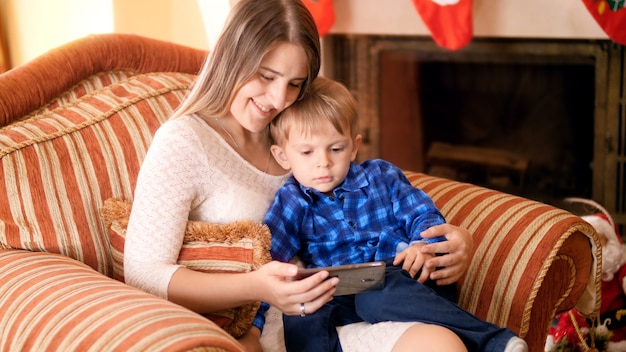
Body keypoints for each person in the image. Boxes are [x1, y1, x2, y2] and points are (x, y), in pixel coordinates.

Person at [123, 0, 474, 351]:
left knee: (442, 345)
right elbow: (143, 273)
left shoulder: (295, 129)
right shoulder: (185, 141)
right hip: (272, 331)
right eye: (266, 76)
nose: (278, 99)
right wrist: (255, 288)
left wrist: (454, 242)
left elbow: (370, 193)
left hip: (345, 310)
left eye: (295, 83)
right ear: (233, 57)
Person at [263, 76, 529, 352]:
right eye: (307, 152)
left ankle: (493, 340)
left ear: (353, 147)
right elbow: (266, 257)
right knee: (301, 309)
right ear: (283, 156)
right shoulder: (291, 201)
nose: (323, 162)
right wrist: (256, 316)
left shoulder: (382, 176)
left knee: (375, 298)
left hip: (405, 280)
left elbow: (422, 216)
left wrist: (422, 246)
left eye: (336, 149)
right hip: (341, 294)